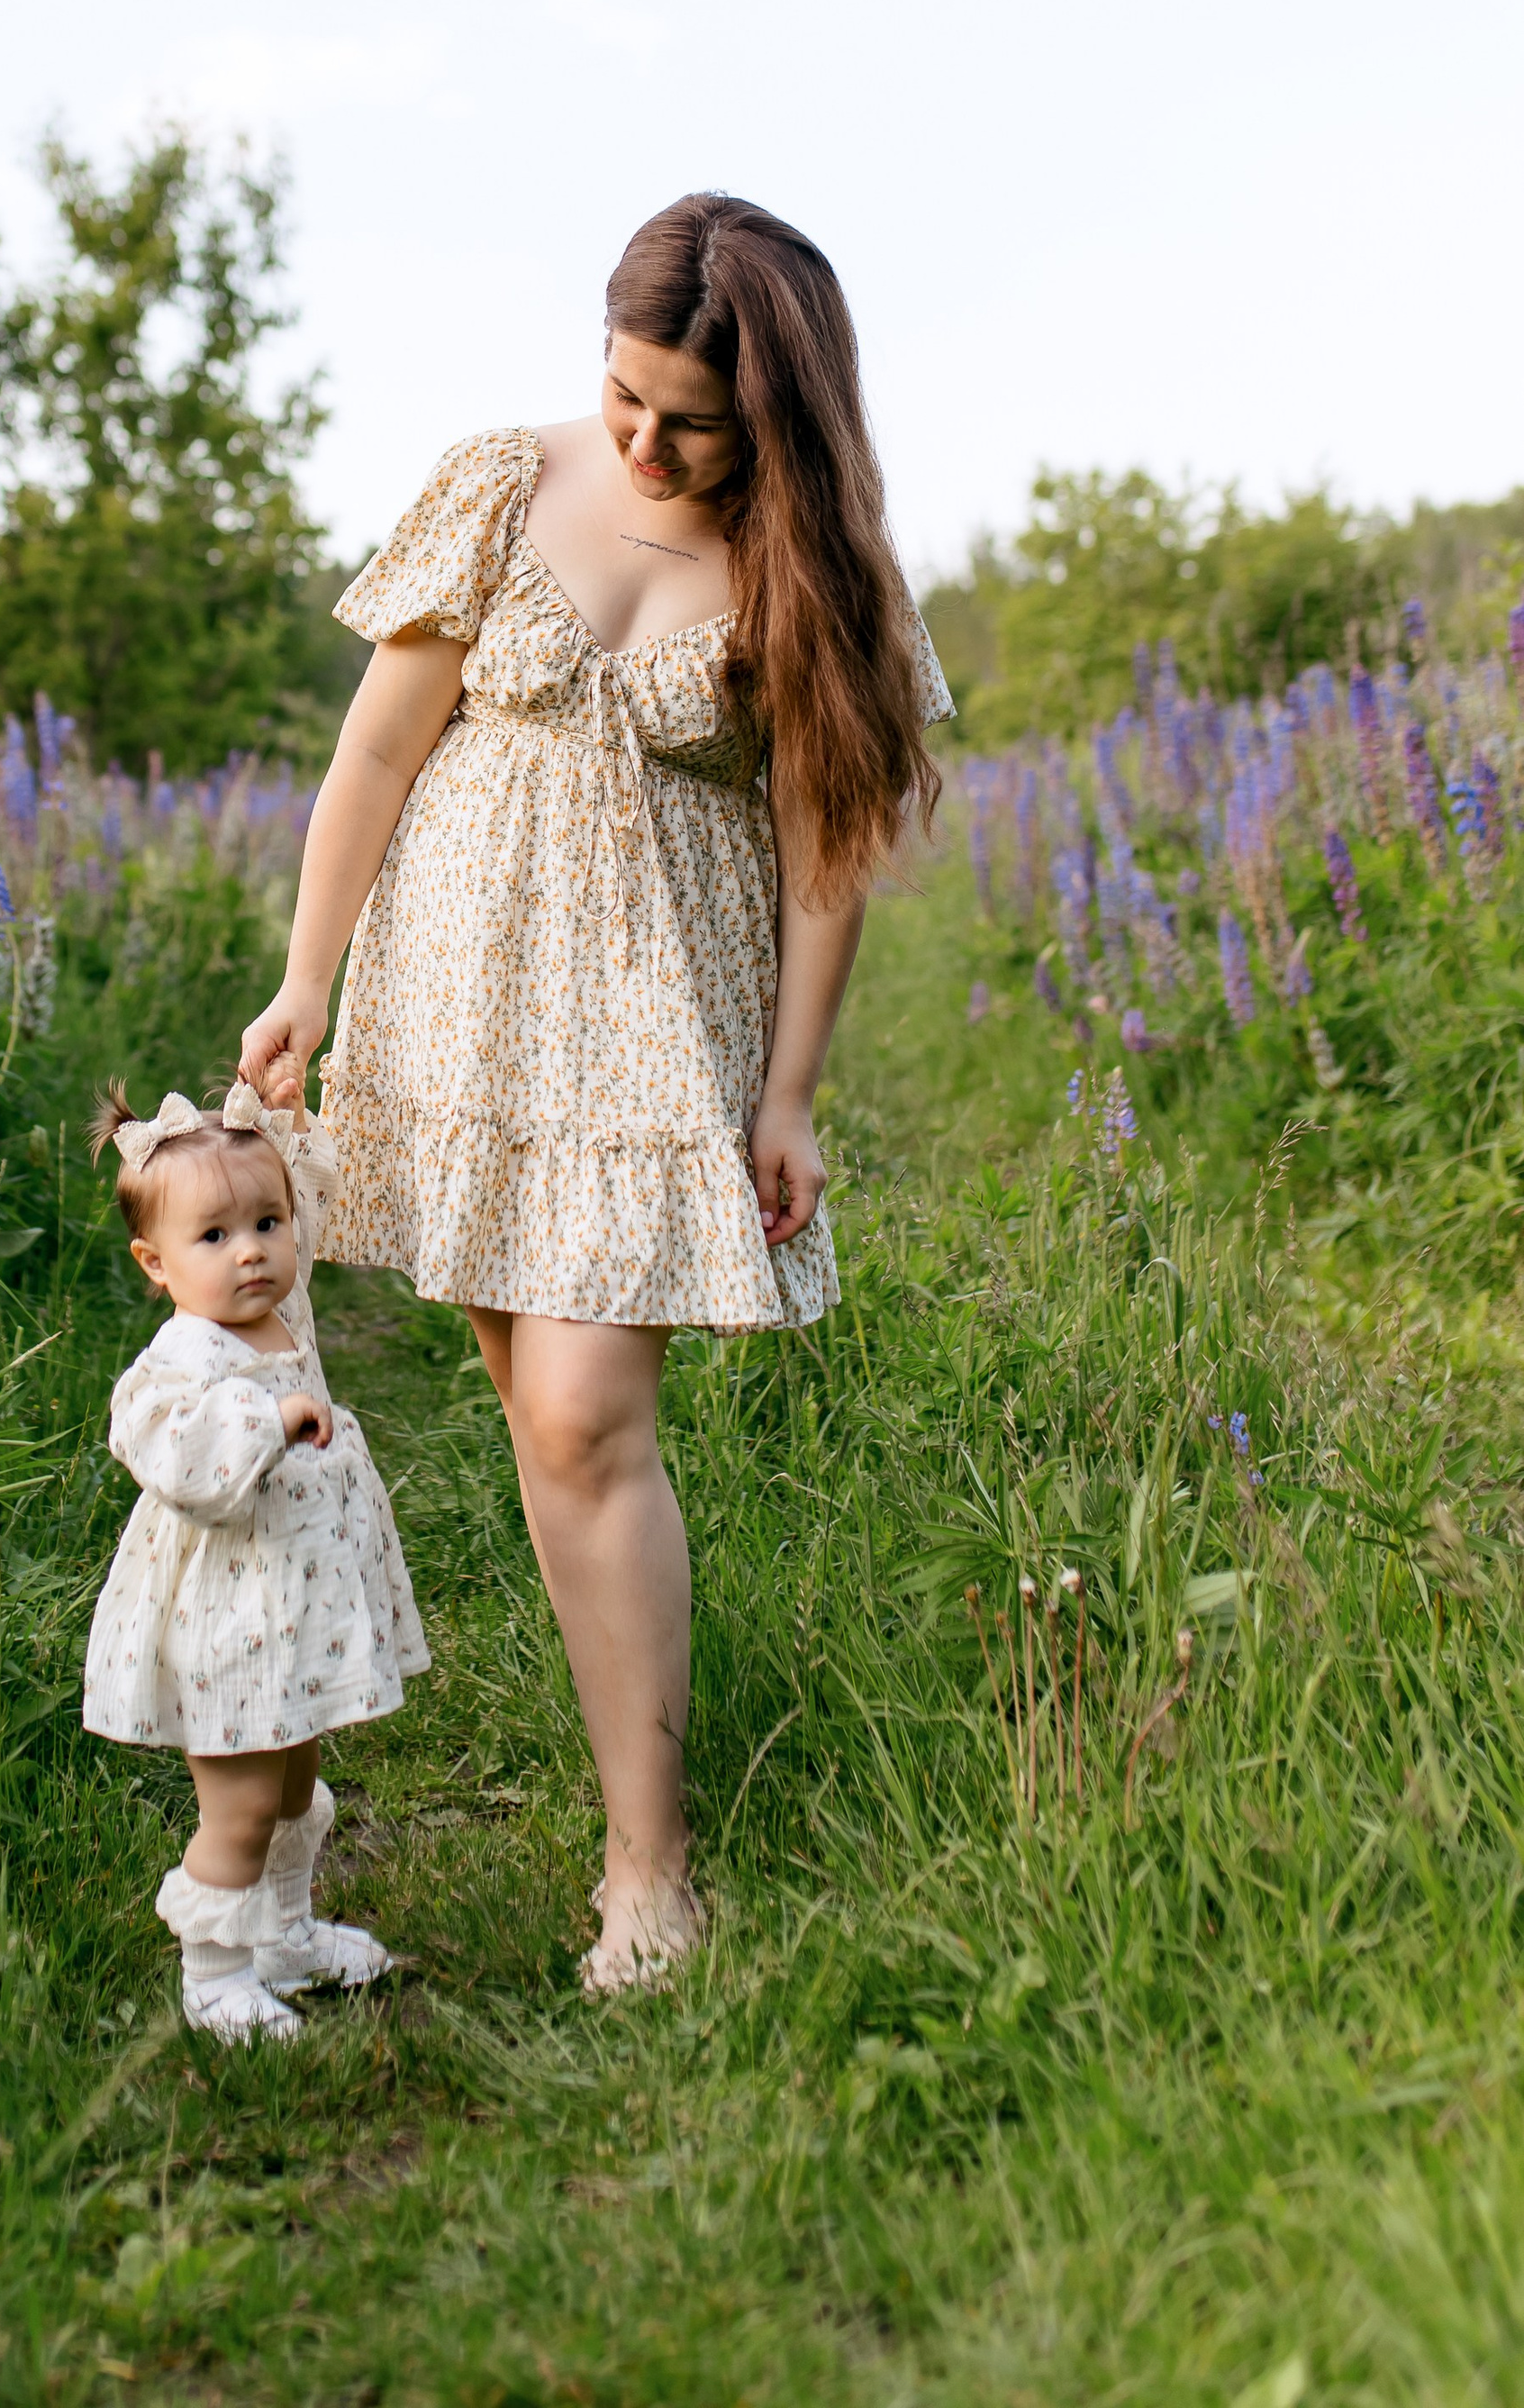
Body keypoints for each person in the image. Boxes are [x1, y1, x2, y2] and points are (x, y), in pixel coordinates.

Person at [240, 190, 950, 1989]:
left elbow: (822, 855)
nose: (640, 442)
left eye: (686, 420)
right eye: (622, 396)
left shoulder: (816, 569)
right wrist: (305, 983)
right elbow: (377, 750)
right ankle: (615, 1790)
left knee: (580, 1422)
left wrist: (787, 1091)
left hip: (656, 1027)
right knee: (540, 1422)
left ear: (776, 410)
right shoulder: (500, 480)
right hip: (460, 1000)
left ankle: (649, 1870)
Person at [81, 1068, 427, 2044]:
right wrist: (265, 1418)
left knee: (289, 1786)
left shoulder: (283, 1309)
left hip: (292, 1617)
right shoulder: (183, 1359)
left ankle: (282, 1934)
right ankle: (215, 1972)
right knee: (236, 1806)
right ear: (156, 1265)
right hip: (225, 1627)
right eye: (215, 1238)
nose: (252, 1255)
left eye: (267, 1225)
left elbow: (305, 1184)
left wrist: (284, 1113)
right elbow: (157, 1444)